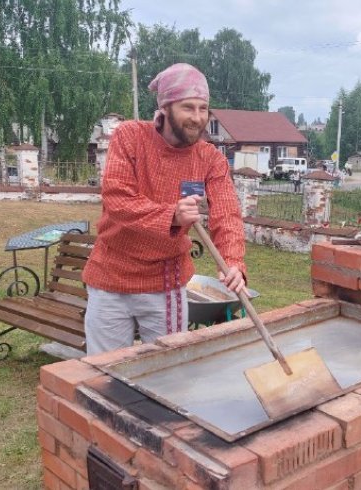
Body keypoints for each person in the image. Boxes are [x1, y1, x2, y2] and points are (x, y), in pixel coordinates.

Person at [82, 63, 247, 355]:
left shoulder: (210, 159)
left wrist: (233, 261)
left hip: (166, 285)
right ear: (166, 106)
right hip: (111, 278)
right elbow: (117, 199)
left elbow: (227, 214)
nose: (197, 118)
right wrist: (171, 215)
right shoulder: (130, 136)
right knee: (104, 370)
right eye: (188, 107)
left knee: (168, 371)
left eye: (203, 108)